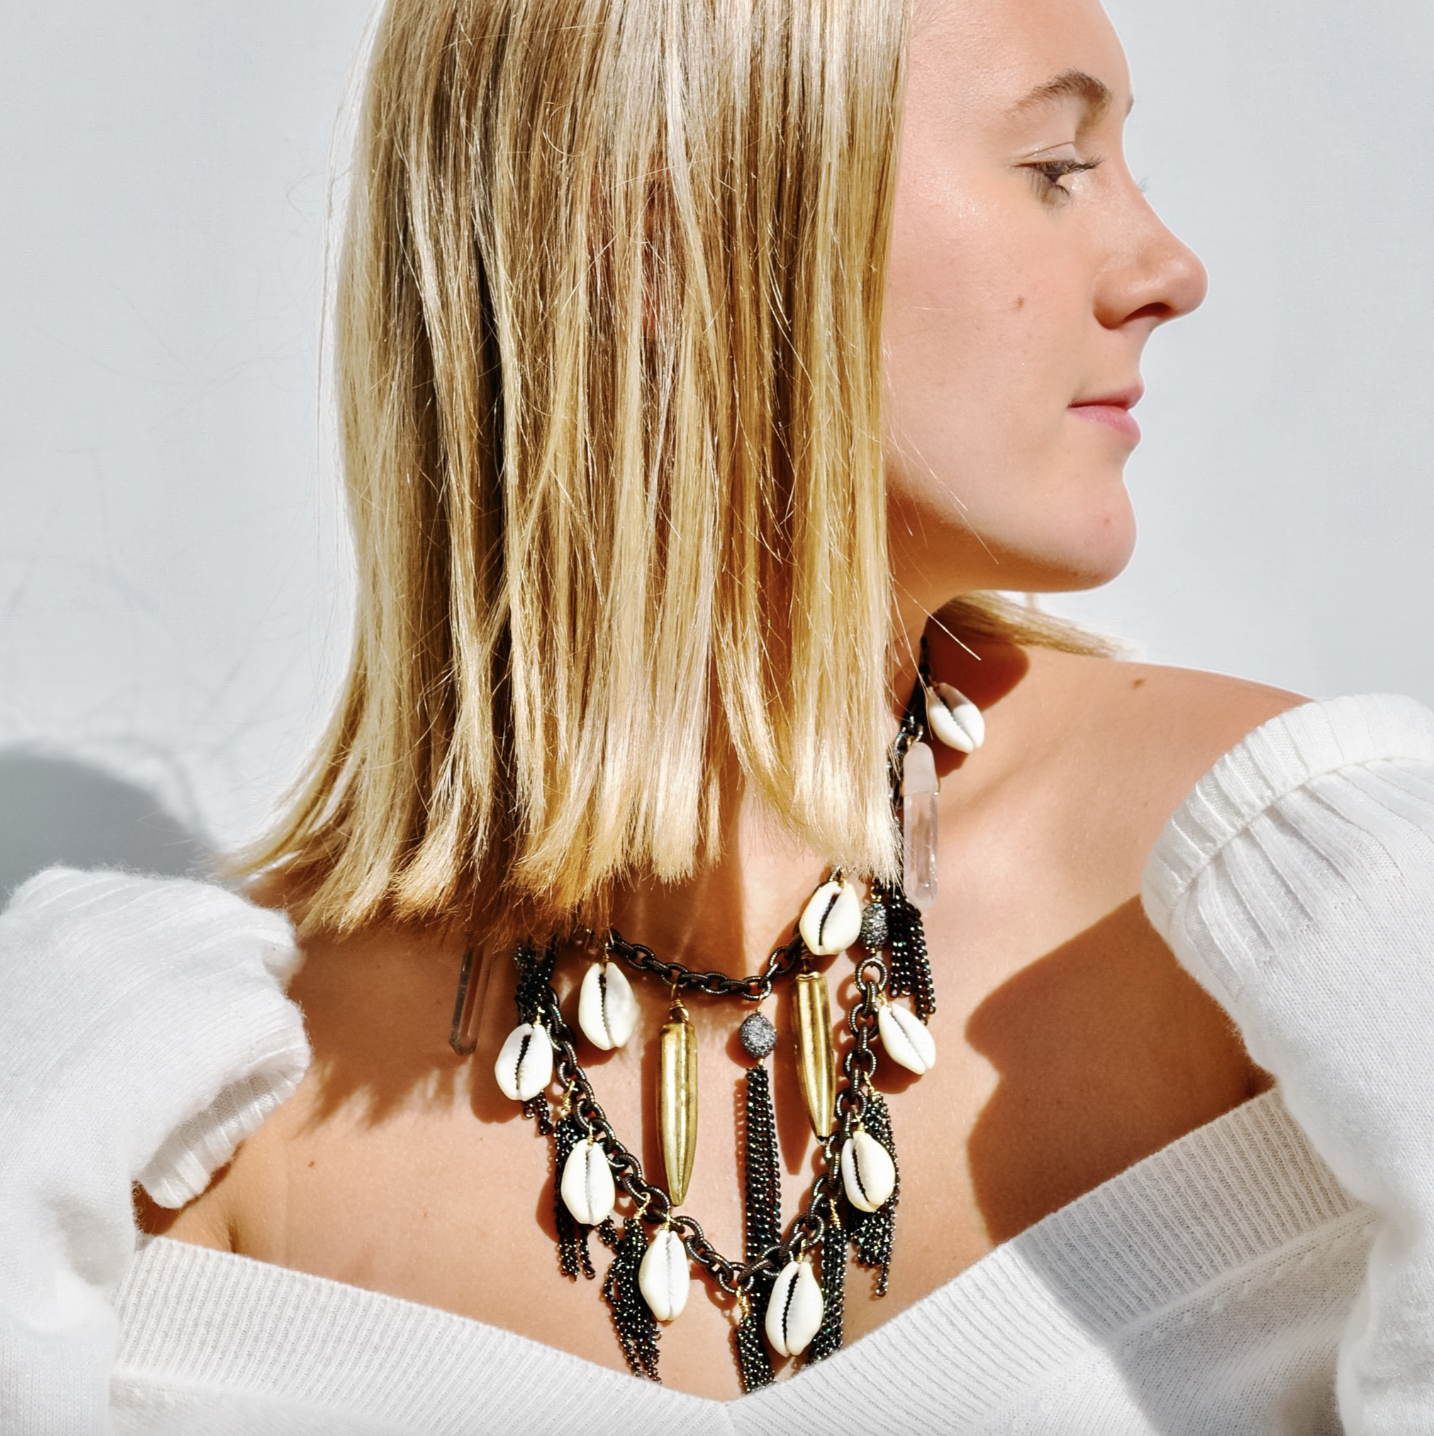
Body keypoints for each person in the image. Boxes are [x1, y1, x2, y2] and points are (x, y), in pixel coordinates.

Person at [3, 0, 1433, 1429]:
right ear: (668, 241)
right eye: (1055, 165)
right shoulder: (175, 1109)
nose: (1164, 269)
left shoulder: (1308, 912)